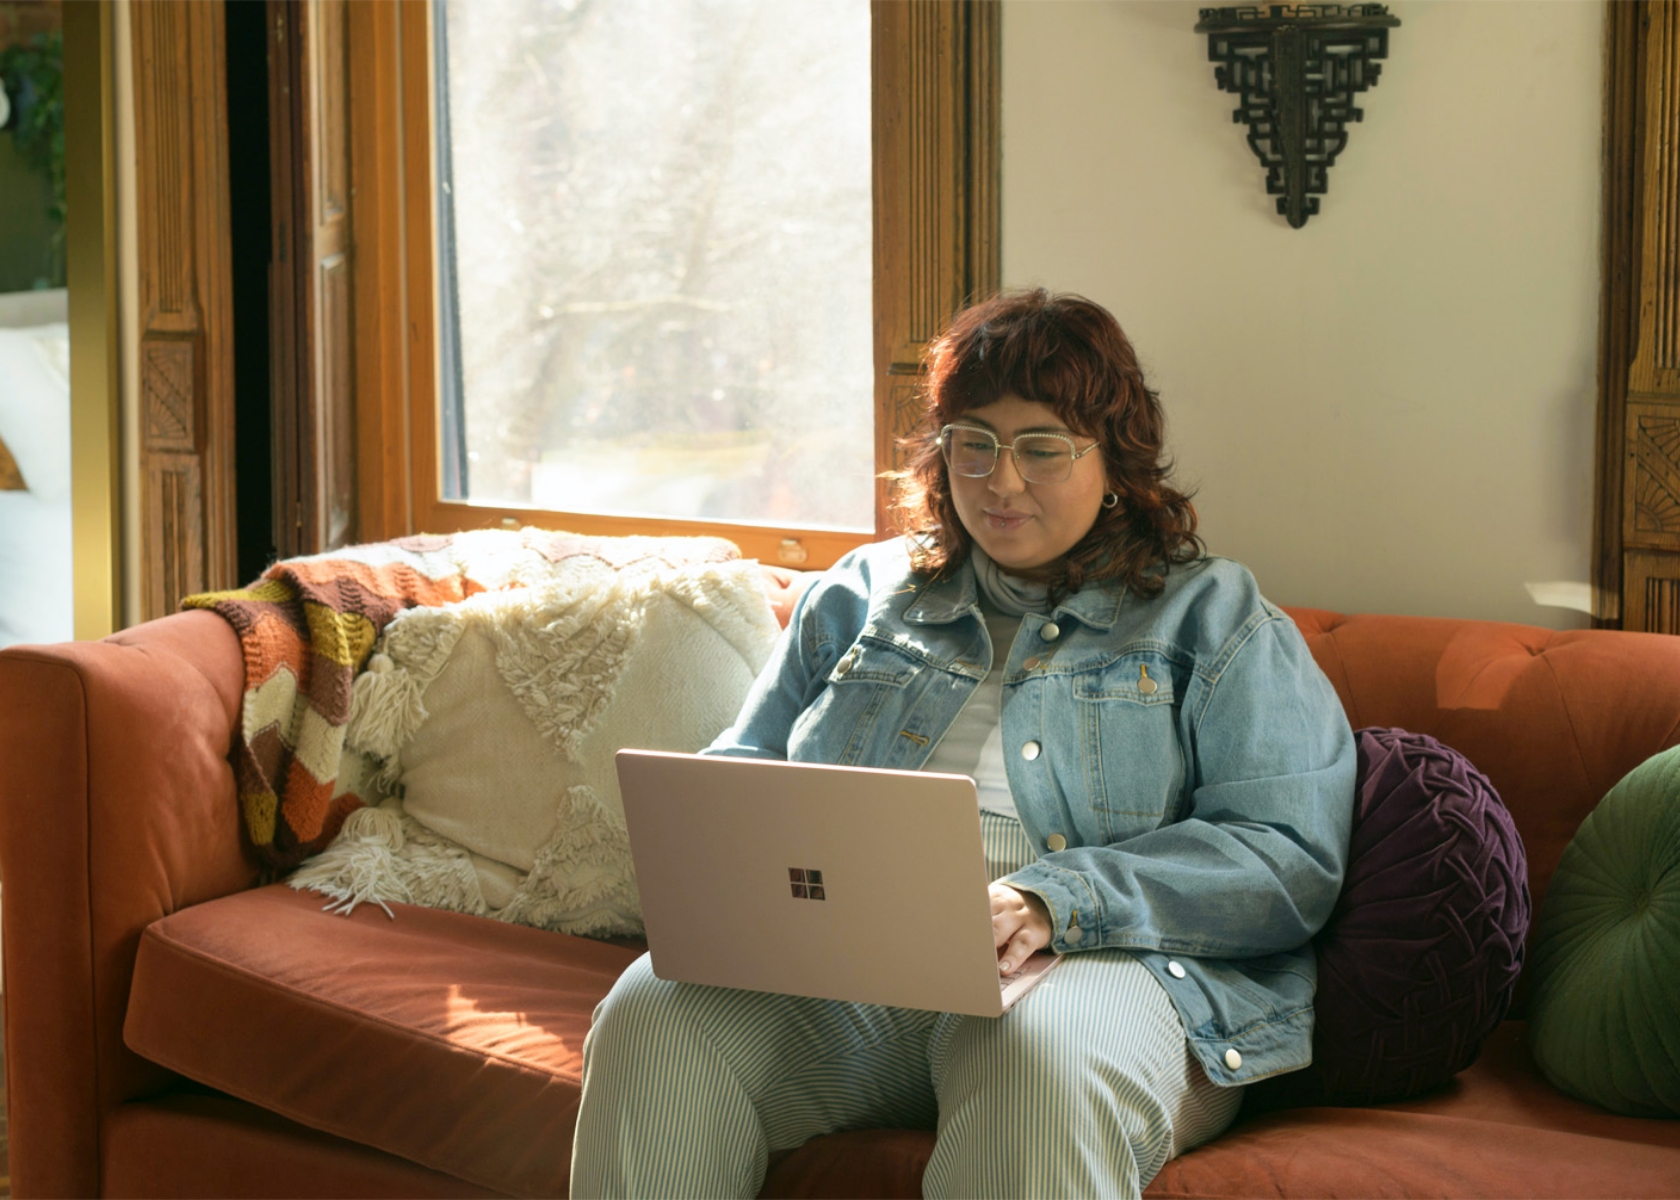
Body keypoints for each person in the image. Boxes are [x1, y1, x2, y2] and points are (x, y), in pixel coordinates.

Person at [570, 289, 1356, 1198]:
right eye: (973, 443)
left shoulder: (1216, 617)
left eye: (1041, 448)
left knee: (1033, 1069)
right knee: (653, 1013)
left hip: (1101, 967)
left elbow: (1286, 857)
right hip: (854, 967)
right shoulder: (862, 594)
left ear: (1116, 459)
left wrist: (1052, 898)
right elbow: (746, 771)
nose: (1001, 480)